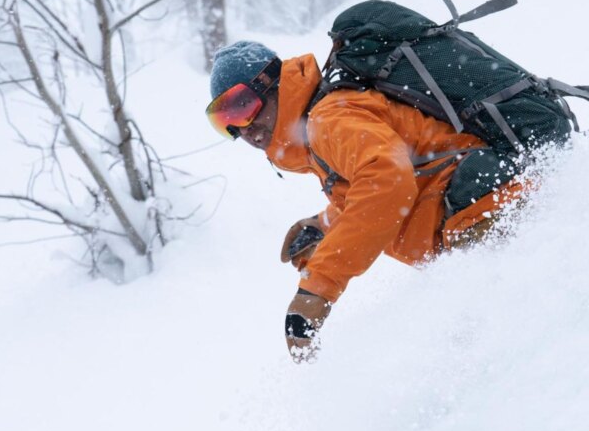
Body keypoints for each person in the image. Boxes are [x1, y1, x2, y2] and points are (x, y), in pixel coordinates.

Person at [206, 40, 531, 361]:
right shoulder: (320, 129)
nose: (242, 129)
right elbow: (372, 184)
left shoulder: (328, 120)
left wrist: (318, 287)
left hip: (490, 212)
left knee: (497, 356)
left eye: (243, 106)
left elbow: (387, 181)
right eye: (225, 122)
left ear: (273, 83)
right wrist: (324, 225)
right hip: (480, 219)